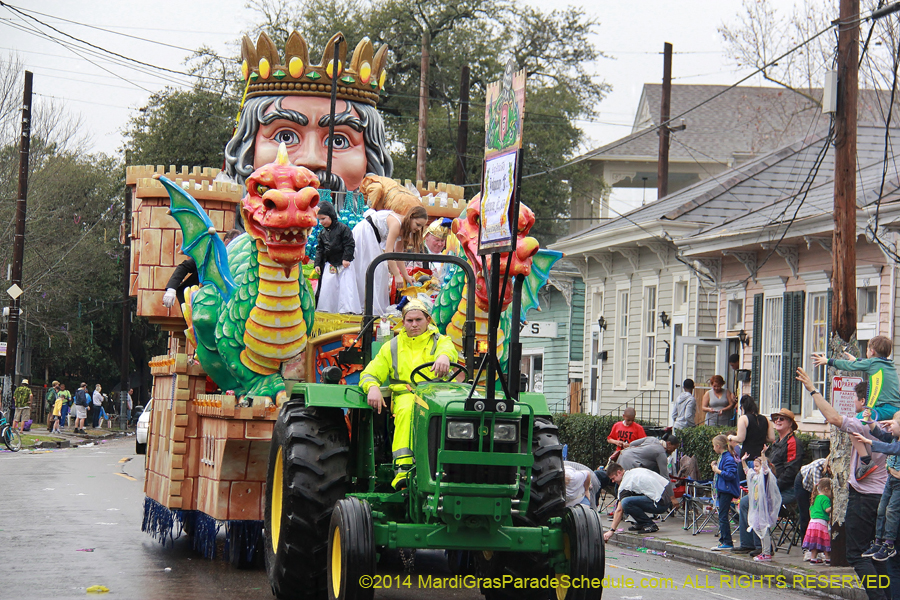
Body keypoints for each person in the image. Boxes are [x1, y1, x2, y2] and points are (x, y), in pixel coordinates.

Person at [798, 366, 889, 600]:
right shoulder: (892, 425)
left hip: (865, 497)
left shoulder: (863, 424)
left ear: (864, 401)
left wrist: (812, 390)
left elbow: (833, 417)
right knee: (879, 554)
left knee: (858, 554)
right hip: (887, 496)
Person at [359, 299, 457, 488]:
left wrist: (444, 358)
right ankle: (403, 470)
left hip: (439, 395)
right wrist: (372, 387)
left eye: (418, 320)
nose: (414, 325)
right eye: (409, 320)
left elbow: (448, 351)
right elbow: (370, 373)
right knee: (406, 409)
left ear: (428, 320)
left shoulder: (441, 341)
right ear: (403, 322)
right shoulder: (392, 346)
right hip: (407, 394)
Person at [733, 407, 803, 556]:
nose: (777, 421)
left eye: (781, 418)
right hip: (769, 487)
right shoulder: (777, 442)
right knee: (745, 502)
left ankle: (763, 547)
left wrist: (771, 487)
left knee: (758, 504)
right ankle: (748, 544)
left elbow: (791, 471)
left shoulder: (792, 442)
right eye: (776, 418)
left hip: (785, 489)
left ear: (790, 423)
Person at [813, 335, 900, 420]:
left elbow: (849, 365)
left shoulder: (871, 363)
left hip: (883, 408)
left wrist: (828, 361)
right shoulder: (890, 365)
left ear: (872, 351)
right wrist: (857, 360)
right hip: (896, 408)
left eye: (867, 350)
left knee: (857, 421)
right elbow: (871, 363)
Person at [854, 408, 900, 562]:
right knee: (881, 510)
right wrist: (871, 422)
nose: (889, 427)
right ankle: (878, 541)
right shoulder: (895, 438)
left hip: (899, 483)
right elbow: (881, 435)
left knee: (892, 511)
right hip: (891, 480)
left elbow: (891, 449)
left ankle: (889, 544)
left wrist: (868, 442)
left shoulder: (897, 444)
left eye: (892, 424)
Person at [163, 229, 243, 308]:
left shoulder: (239, 260)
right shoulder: (210, 255)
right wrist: (171, 289)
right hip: (199, 299)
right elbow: (184, 267)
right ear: (226, 242)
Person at [603, 462, 673, 537]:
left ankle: (648, 524)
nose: (613, 481)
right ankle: (640, 523)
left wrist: (611, 530)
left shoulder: (626, 483)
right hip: (665, 499)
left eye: (613, 478)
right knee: (628, 498)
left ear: (619, 472)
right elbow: (664, 482)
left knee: (625, 502)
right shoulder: (636, 471)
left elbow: (619, 510)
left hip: (659, 504)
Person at [314, 200, 357, 313]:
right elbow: (320, 249)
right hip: (330, 263)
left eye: (323, 219)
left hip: (344, 263)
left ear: (331, 215)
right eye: (319, 220)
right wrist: (317, 263)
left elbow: (349, 243)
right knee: (328, 285)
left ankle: (347, 309)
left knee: (346, 286)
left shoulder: (343, 228)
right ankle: (326, 308)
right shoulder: (322, 233)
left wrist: (346, 258)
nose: (321, 222)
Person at [743, 456, 782, 562]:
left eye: (757, 466)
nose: (755, 469)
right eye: (754, 466)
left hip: (765, 509)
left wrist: (763, 454)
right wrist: (743, 461)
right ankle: (764, 552)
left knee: (764, 531)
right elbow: (747, 472)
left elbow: (765, 467)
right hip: (758, 508)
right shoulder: (756, 477)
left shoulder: (765, 476)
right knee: (760, 529)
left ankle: (766, 552)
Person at [796, 455, 832, 555]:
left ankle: (820, 548)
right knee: (805, 515)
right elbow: (817, 491)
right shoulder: (818, 468)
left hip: (820, 488)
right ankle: (807, 548)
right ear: (827, 466)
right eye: (829, 469)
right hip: (803, 483)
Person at [710, 434, 740, 551]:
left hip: (726, 490)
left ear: (718, 446)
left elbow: (730, 474)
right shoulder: (724, 457)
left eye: (714, 446)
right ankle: (723, 540)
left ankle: (727, 541)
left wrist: (718, 470)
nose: (713, 448)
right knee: (722, 515)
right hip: (722, 489)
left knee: (723, 516)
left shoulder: (728, 458)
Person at [728, 395, 774, 462]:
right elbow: (771, 438)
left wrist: (730, 437)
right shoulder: (766, 419)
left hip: (747, 457)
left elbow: (740, 438)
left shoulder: (743, 418)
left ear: (743, 407)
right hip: (761, 457)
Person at [803, 478, 833, 565]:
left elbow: (810, 510)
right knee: (824, 540)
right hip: (821, 523)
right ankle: (828, 559)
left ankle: (813, 558)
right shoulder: (825, 498)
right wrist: (834, 506)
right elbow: (827, 509)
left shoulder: (815, 498)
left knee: (814, 541)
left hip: (812, 523)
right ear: (826, 489)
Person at [616, 435, 681, 476]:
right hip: (632, 464)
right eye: (674, 448)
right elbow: (664, 475)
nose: (674, 451)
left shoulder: (652, 439)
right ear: (669, 444)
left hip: (622, 456)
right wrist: (671, 496)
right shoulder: (661, 452)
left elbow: (632, 444)